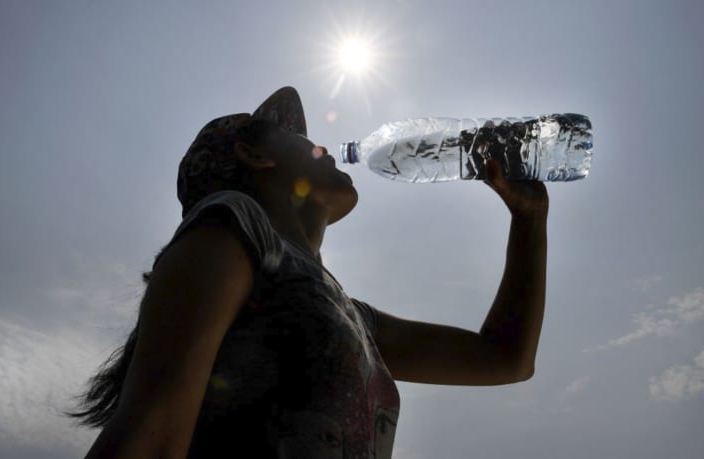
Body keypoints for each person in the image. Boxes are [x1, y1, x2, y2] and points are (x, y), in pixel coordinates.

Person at [70, 87, 549, 458]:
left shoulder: (349, 314)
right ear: (257, 157)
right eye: (304, 141)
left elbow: (505, 359)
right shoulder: (233, 225)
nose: (326, 149)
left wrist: (529, 221)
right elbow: (150, 440)